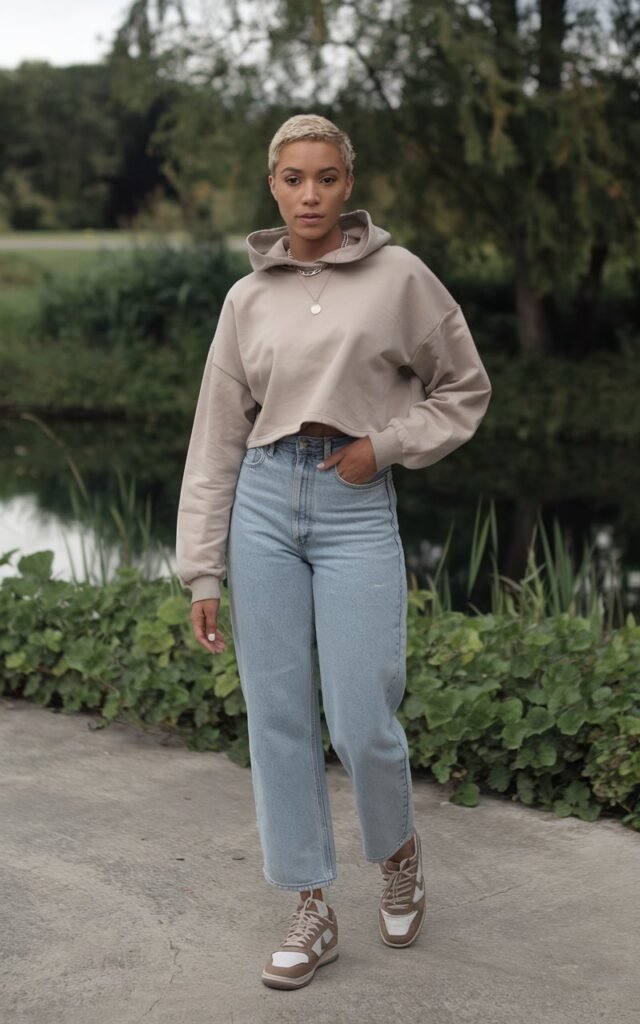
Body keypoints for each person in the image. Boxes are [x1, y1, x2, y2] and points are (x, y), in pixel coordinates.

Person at [175, 113, 491, 990]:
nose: (308, 194)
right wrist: (202, 565)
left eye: (325, 178)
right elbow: (215, 440)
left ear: (348, 185)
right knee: (277, 716)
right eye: (292, 179)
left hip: (355, 501)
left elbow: (465, 389)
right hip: (266, 502)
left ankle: (397, 852)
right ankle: (311, 903)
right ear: (271, 187)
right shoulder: (248, 300)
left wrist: (383, 447)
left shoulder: (402, 279)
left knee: (361, 716)